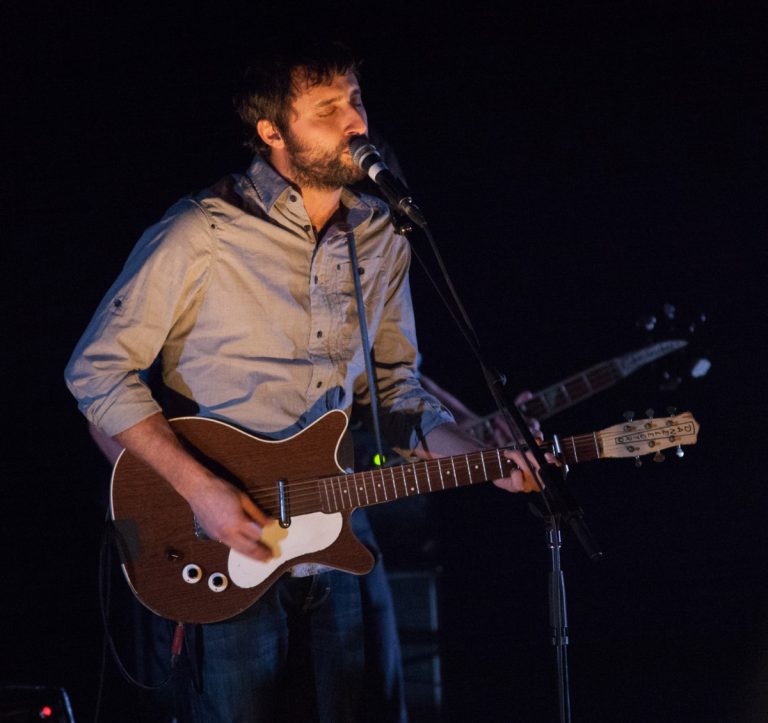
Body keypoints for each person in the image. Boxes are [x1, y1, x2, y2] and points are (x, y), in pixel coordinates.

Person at [65, 42, 540, 722]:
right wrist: (203, 493)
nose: (354, 122)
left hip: (342, 525)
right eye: (327, 110)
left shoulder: (382, 236)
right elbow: (95, 370)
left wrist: (481, 457)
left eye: (355, 101)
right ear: (273, 133)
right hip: (224, 535)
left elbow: (397, 392)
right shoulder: (204, 231)